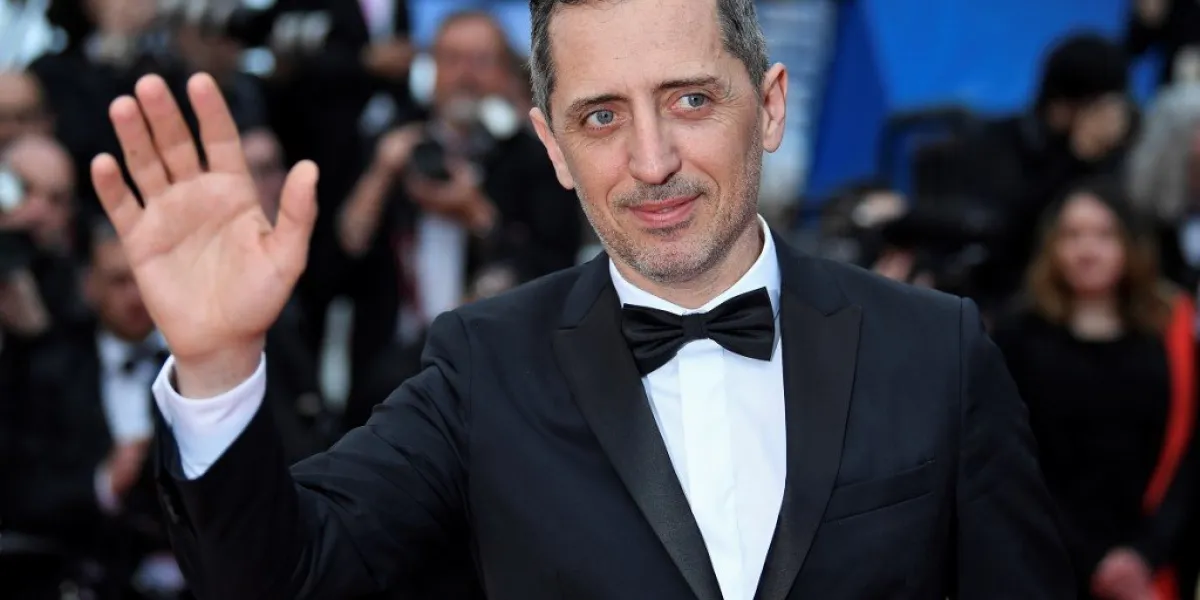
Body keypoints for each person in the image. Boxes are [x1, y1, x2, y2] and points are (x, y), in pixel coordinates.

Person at [88, 0, 1073, 598]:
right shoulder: (483, 367)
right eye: (602, 116)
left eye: (690, 99)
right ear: (552, 146)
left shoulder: (933, 348)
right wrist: (217, 365)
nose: (651, 162)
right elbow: (281, 578)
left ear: (768, 105)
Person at [994, 180, 1198, 600]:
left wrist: (1145, 554)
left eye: (1104, 235)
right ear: (1052, 246)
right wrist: (1094, 563)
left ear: (1130, 243)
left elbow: (1191, 454)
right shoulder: (1018, 335)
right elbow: (1011, 458)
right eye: (1072, 235)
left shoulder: (1171, 330)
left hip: (1151, 564)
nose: (1087, 250)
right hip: (1047, 561)